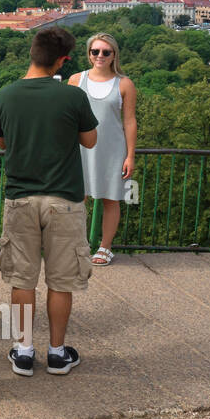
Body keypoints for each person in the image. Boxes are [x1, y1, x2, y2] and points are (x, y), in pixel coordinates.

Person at [0, 29, 98, 378]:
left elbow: (2, 141)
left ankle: (23, 351)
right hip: (64, 198)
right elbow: (90, 141)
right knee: (62, 280)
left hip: (21, 197)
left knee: (22, 279)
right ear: (63, 60)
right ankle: (56, 352)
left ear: (32, 54)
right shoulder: (73, 96)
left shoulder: (5, 96)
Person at [68, 33, 137, 266]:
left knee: (111, 198)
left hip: (112, 149)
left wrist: (130, 155)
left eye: (105, 52)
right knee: (78, 198)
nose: (100, 56)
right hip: (80, 148)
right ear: (88, 54)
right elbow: (66, 117)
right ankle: (78, 245)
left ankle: (105, 247)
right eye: (95, 51)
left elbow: (129, 121)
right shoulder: (76, 80)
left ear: (114, 55)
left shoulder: (124, 84)